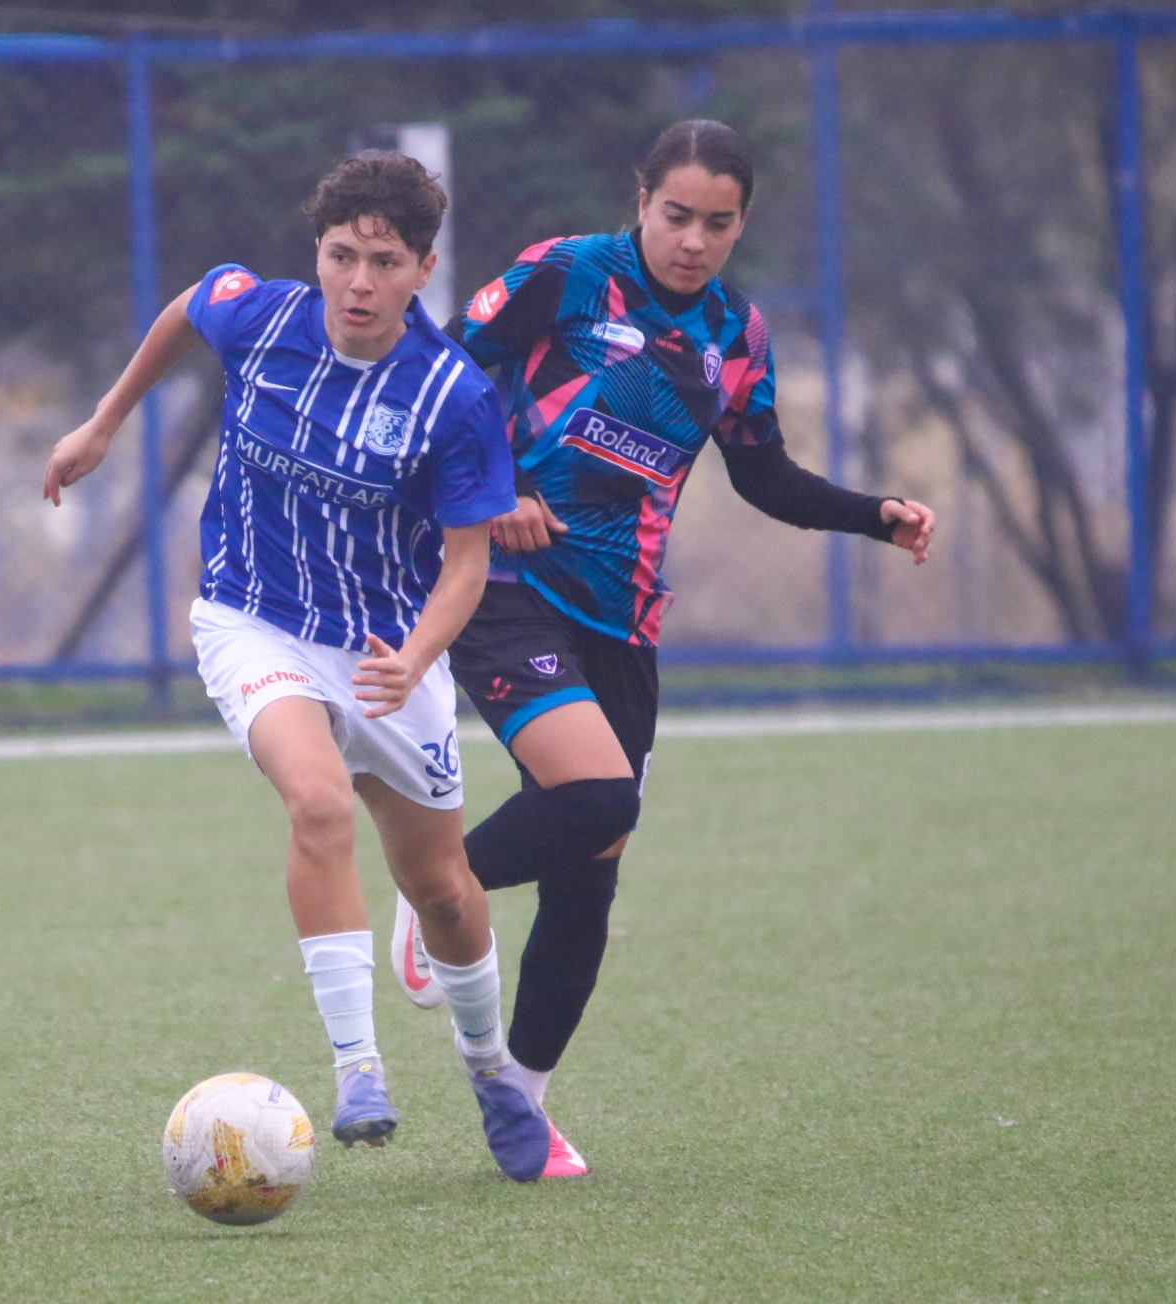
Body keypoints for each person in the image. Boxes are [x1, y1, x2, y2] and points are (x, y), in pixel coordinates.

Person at [389, 119, 937, 1178]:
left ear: (740, 225)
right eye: (675, 215)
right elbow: (438, 380)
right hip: (503, 586)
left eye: (716, 224)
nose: (692, 240)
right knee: (599, 796)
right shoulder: (564, 276)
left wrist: (874, 514)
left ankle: (520, 1103)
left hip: (624, 616)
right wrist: (497, 490)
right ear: (640, 201)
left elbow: (764, 475)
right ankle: (438, 890)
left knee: (590, 871)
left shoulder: (735, 336)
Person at [43, 152, 551, 1182]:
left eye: (384, 262)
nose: (358, 282)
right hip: (252, 618)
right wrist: (104, 419)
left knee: (443, 890)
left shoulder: (451, 397)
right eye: (340, 256)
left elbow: (465, 564)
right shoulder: (262, 316)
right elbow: (190, 304)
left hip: (385, 649)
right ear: (315, 253)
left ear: (424, 269)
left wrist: (414, 660)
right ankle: (358, 1071)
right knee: (316, 803)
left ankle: (489, 1064)